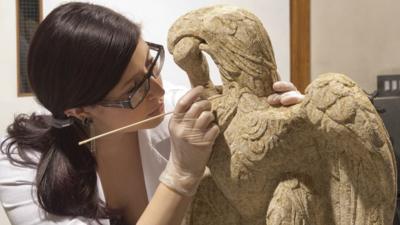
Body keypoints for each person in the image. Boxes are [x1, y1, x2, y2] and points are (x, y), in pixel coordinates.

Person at [0, 2, 304, 225]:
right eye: (135, 89)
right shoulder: (23, 169)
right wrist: (181, 175)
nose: (159, 90)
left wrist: (287, 121)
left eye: (151, 64)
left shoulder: (179, 111)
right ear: (79, 110)